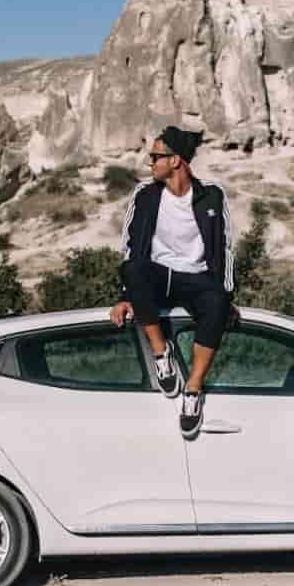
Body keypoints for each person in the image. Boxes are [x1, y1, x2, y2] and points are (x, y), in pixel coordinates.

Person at [110, 126, 235, 438]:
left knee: (218, 301)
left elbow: (226, 248)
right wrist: (128, 296)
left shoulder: (212, 195)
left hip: (197, 279)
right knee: (133, 267)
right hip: (159, 276)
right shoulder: (145, 194)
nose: (150, 162)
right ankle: (161, 353)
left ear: (176, 160)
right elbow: (129, 245)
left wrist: (226, 297)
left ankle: (192, 390)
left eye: (156, 156)